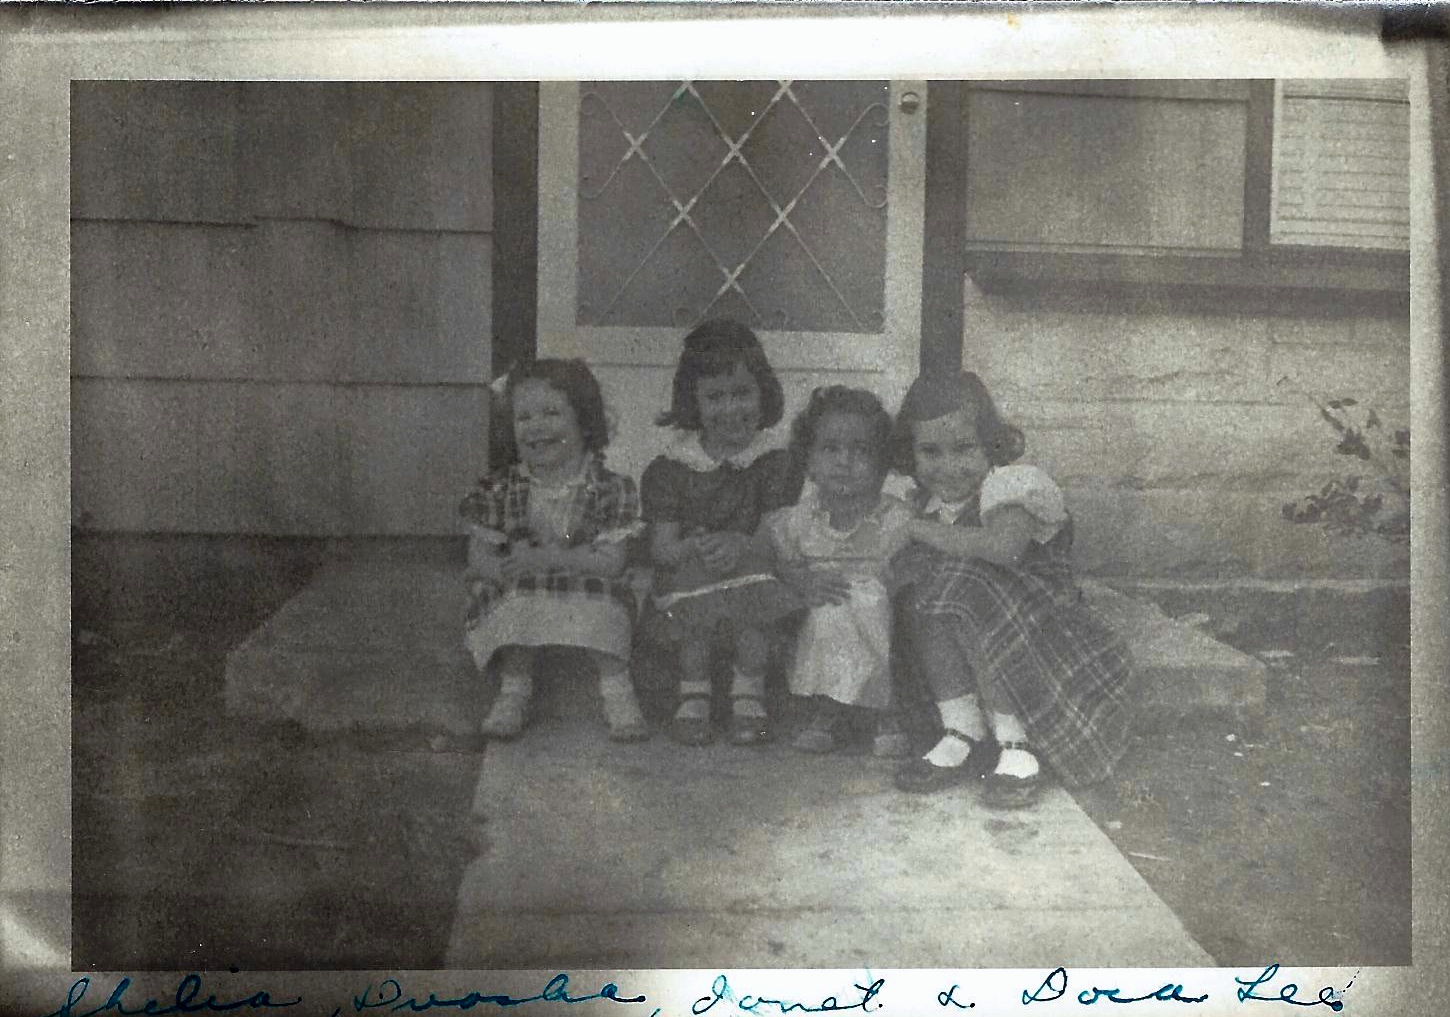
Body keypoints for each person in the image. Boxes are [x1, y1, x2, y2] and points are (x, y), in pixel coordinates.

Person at [890, 369, 1134, 807]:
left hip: (1035, 627)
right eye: (930, 451)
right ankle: (961, 727)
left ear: (991, 443)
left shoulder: (1010, 485)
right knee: (921, 595)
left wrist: (918, 531)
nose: (948, 466)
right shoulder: (925, 503)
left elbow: (1003, 549)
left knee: (966, 586)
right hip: (967, 633)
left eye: (964, 448)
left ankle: (1016, 741)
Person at [459, 358, 648, 743]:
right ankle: (514, 691)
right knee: (515, 600)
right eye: (524, 417)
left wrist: (550, 559)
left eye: (551, 413)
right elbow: (478, 556)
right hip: (524, 581)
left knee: (607, 604)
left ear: (584, 421)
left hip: (587, 575)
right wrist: (503, 571)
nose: (536, 426)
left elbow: (612, 563)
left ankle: (617, 692)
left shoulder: (609, 487)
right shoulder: (500, 488)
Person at [641, 319, 801, 747]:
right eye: (714, 397)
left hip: (753, 567)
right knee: (693, 620)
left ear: (763, 392)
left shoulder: (774, 462)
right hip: (692, 571)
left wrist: (741, 544)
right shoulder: (671, 468)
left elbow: (775, 538)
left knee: (755, 611)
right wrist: (696, 546)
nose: (731, 408)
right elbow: (662, 550)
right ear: (692, 402)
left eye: (742, 393)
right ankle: (693, 694)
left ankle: (748, 693)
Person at [762, 386, 915, 757]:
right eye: (830, 448)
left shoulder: (895, 519)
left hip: (881, 621)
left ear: (882, 462)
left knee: (868, 600)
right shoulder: (799, 521)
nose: (844, 461)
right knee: (831, 607)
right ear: (809, 461)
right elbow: (775, 562)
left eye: (861, 450)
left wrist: (890, 586)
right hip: (821, 619)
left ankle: (884, 710)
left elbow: (910, 570)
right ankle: (826, 710)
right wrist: (804, 582)